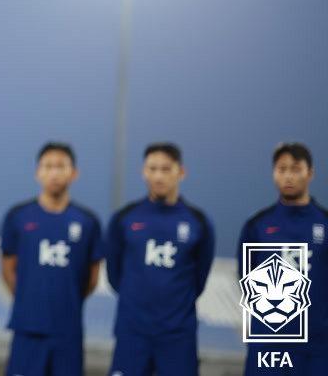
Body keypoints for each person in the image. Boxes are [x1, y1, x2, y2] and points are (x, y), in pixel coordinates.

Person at [106, 143, 215, 376]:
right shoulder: (124, 219)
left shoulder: (197, 222)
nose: (158, 176)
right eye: (152, 169)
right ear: (143, 172)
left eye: (166, 169)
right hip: (132, 332)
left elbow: (199, 278)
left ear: (181, 172)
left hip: (177, 336)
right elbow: (115, 276)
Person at [0, 143, 103, 376]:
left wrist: (68, 300)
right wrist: (28, 298)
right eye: (48, 166)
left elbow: (92, 276)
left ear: (73, 173)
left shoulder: (87, 221)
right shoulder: (18, 217)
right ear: (38, 172)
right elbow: (7, 268)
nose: (54, 173)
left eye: (61, 166)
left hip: (68, 330)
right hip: (27, 327)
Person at [237, 142, 327, 375]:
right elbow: (246, 278)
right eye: (281, 168)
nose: (288, 176)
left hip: (316, 345)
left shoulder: (324, 223)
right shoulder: (258, 225)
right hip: (269, 342)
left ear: (310, 173)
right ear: (273, 173)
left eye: (296, 169)